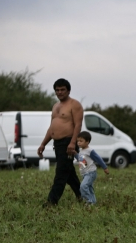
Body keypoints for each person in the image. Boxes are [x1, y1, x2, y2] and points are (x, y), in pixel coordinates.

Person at [37, 78, 83, 206]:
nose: (60, 92)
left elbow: (78, 125)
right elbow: (52, 127)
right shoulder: (55, 106)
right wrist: (43, 144)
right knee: (69, 174)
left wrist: (73, 143)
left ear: (68, 90)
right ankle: (82, 195)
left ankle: (52, 202)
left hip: (68, 142)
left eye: (62, 89)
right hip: (57, 144)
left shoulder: (75, 105)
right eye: (57, 90)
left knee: (61, 173)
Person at [75, 131, 109, 206]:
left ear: (87, 142)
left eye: (81, 141)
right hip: (84, 173)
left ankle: (88, 201)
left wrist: (105, 167)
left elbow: (98, 159)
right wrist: (74, 154)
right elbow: (81, 159)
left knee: (83, 186)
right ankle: (93, 202)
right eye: (78, 141)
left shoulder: (90, 151)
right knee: (89, 188)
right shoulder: (81, 151)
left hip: (90, 172)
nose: (78, 143)